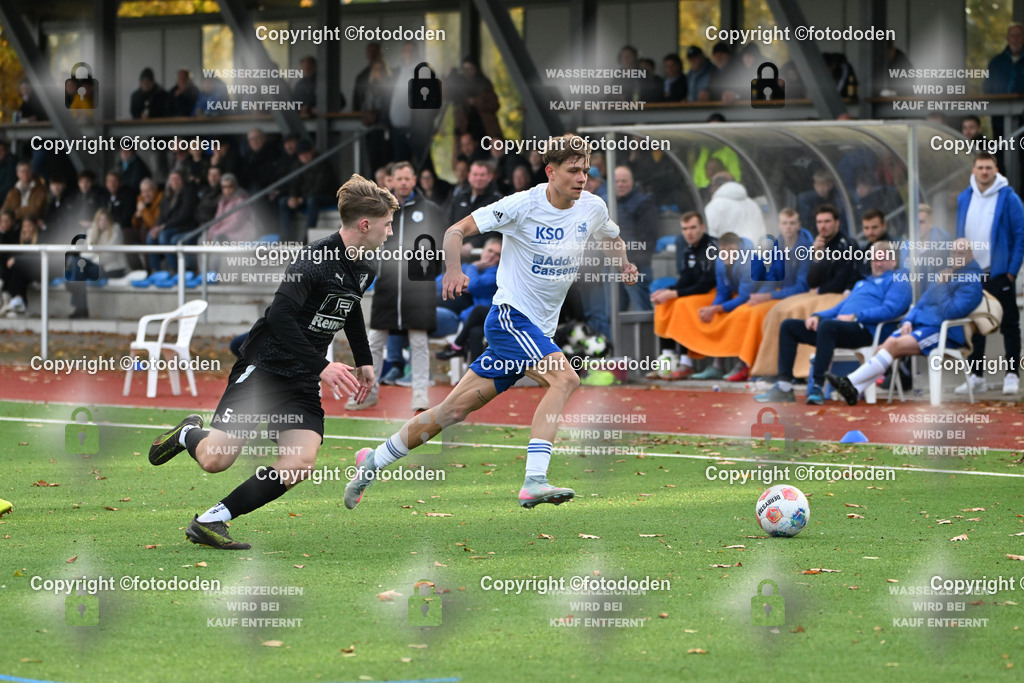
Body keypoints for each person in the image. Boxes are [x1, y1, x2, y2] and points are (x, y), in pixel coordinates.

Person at [344, 133, 637, 510]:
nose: (582, 177)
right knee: (566, 378)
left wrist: (624, 263)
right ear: (550, 171)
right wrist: (453, 270)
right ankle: (534, 480)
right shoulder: (521, 204)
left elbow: (612, 237)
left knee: (451, 411)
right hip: (510, 319)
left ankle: (372, 462)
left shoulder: (592, 207)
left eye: (586, 170)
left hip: (535, 332)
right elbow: (455, 231)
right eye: (573, 170)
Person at [147, 174, 397, 550]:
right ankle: (187, 434)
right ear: (365, 225)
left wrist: (364, 360)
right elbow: (280, 316)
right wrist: (323, 366)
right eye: (387, 224)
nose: (390, 232)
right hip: (264, 369)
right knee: (216, 460)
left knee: (299, 463)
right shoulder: (314, 259)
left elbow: (350, 309)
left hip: (300, 381)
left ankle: (211, 520)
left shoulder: (365, 267)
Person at [828, 239, 984, 405]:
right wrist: (908, 321)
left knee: (893, 346)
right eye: (953, 253)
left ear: (970, 255)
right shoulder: (945, 275)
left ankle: (849, 381)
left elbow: (951, 312)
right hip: (921, 325)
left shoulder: (972, 282)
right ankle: (856, 390)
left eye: (960, 253)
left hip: (942, 332)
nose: (955, 257)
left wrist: (942, 286)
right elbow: (920, 304)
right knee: (884, 346)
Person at [756, 240, 911, 405]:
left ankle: (817, 387)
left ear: (893, 261)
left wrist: (856, 316)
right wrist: (817, 316)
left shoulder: (898, 280)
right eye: (874, 259)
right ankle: (785, 387)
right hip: (839, 330)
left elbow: (891, 310)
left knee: (828, 326)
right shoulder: (862, 283)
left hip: (866, 331)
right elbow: (838, 309)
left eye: (882, 259)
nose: (877, 264)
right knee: (789, 326)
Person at [350, 161, 445, 412]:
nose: (403, 183)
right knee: (374, 342)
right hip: (387, 287)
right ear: (390, 181)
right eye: (398, 178)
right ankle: (366, 393)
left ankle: (421, 396)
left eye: (407, 178)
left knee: (419, 342)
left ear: (414, 180)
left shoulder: (432, 210)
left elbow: (439, 249)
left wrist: (425, 274)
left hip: (418, 289)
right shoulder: (378, 210)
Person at [750, 204, 862, 379]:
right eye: (819, 222)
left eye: (827, 221)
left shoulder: (846, 245)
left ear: (837, 223)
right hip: (818, 293)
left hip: (838, 295)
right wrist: (817, 258)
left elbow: (839, 282)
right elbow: (812, 281)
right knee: (778, 310)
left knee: (801, 311)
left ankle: (802, 370)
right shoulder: (818, 245)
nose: (823, 226)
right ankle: (770, 368)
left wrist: (818, 288)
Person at [954, 151, 1024, 396]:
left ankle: (1012, 373)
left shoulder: (1009, 198)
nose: (984, 172)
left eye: (989, 168)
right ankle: (976, 375)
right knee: (974, 325)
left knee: (1008, 325)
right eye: (980, 167)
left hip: (999, 274)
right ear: (973, 170)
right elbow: (959, 234)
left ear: (996, 170)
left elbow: (1020, 237)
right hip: (972, 275)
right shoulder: (965, 197)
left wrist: (1011, 273)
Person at [650, 211, 718, 379]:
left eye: (693, 228)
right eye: (685, 228)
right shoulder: (688, 248)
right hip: (697, 291)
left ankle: (687, 363)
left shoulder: (712, 247)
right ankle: (667, 359)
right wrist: (667, 291)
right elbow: (686, 278)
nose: (689, 232)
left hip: (714, 293)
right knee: (664, 303)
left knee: (683, 304)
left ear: (702, 227)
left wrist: (674, 293)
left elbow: (705, 284)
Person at [436, 234, 501, 362]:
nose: (492, 255)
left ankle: (456, 346)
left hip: (491, 317)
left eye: (497, 254)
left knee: (477, 314)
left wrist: (473, 267)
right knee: (475, 333)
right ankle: (475, 375)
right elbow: (438, 282)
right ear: (483, 251)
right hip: (474, 320)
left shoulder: (496, 273)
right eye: (490, 251)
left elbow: (473, 285)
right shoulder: (467, 267)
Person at [67, 208, 129, 319]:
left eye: (105, 220)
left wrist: (94, 255)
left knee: (77, 272)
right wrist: (97, 253)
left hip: (112, 268)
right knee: (78, 264)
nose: (102, 222)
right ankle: (81, 307)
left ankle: (80, 307)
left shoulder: (115, 230)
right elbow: (84, 253)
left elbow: (109, 257)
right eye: (100, 220)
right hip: (97, 266)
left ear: (110, 220)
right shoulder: (92, 232)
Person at [613, 165, 657, 311]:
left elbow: (648, 239)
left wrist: (632, 264)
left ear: (632, 182)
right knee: (614, 314)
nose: (620, 184)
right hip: (614, 267)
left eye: (624, 181)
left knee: (641, 311)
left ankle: (645, 336)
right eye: (617, 181)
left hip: (636, 267)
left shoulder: (644, 204)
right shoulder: (610, 203)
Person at [277, 140, 339, 244]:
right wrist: (293, 197)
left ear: (312, 151)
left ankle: (307, 237)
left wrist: (301, 199)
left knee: (312, 201)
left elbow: (320, 187)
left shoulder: (322, 163)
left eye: (306, 153)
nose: (304, 156)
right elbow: (294, 184)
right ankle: (286, 238)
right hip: (304, 198)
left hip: (326, 197)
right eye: (301, 154)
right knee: (283, 202)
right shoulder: (297, 165)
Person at [147, 170, 198, 274]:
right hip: (169, 227)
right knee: (150, 236)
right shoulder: (167, 196)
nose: (175, 181)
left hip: (185, 226)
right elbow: (162, 215)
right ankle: (156, 271)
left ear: (182, 180)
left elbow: (184, 216)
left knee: (164, 236)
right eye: (172, 179)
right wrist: (156, 227)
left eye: (177, 179)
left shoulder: (188, 193)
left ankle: (176, 270)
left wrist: (163, 227)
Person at [446, 160, 503, 251]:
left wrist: (473, 244)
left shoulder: (497, 201)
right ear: (469, 176)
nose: (478, 178)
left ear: (489, 177)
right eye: (475, 175)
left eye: (482, 175)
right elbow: (448, 223)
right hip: (455, 252)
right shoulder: (458, 198)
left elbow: (497, 230)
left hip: (484, 255)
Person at [704, 172, 766, 244]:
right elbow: (762, 232)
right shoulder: (752, 204)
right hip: (753, 252)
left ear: (715, 187)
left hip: (728, 253)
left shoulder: (714, 206)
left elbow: (709, 234)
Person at [1, 216, 42, 317]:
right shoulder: (18, 239)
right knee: (11, 266)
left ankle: (17, 300)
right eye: (24, 226)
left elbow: (36, 259)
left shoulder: (41, 238)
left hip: (36, 271)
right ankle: (15, 300)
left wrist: (17, 260)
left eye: (29, 226)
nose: (26, 229)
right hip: (19, 272)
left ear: (34, 227)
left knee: (19, 266)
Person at [207, 173, 255, 243]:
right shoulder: (222, 201)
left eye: (230, 186)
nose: (227, 189)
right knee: (204, 237)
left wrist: (216, 233)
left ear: (235, 186)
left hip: (241, 234)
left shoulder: (241, 201)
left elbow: (235, 223)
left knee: (218, 239)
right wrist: (211, 232)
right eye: (224, 187)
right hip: (225, 233)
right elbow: (217, 219)